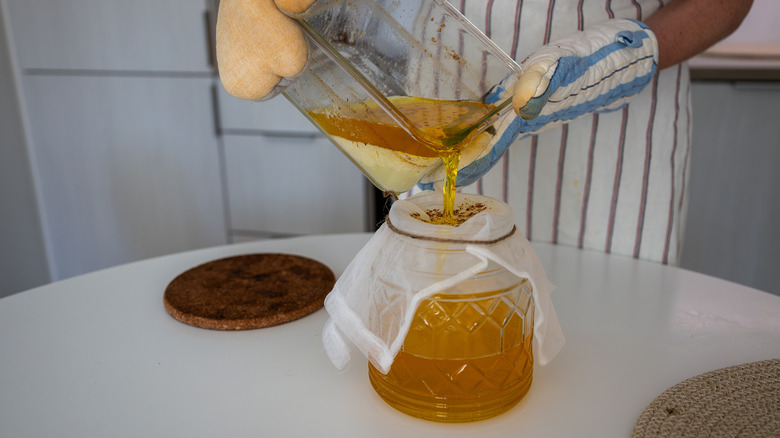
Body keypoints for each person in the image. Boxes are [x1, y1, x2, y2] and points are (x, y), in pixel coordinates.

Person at [216, 0, 753, 265]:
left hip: (618, 124)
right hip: (446, 78)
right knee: (442, 303)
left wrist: (626, 54)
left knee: (608, 344)